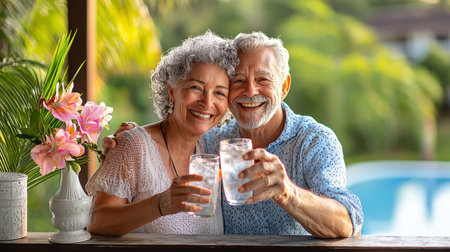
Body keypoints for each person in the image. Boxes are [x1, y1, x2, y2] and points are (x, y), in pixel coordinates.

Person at [103, 31, 363, 238]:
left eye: (263, 79)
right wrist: (130, 141)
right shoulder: (213, 140)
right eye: (238, 80)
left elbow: (347, 224)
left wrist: (287, 192)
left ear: (284, 86)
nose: (250, 91)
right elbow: (173, 132)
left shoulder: (314, 141)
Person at [85, 31, 239, 236]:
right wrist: (161, 204)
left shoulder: (214, 149)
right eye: (195, 87)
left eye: (219, 93)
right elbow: (96, 221)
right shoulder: (134, 144)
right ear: (172, 91)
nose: (207, 102)